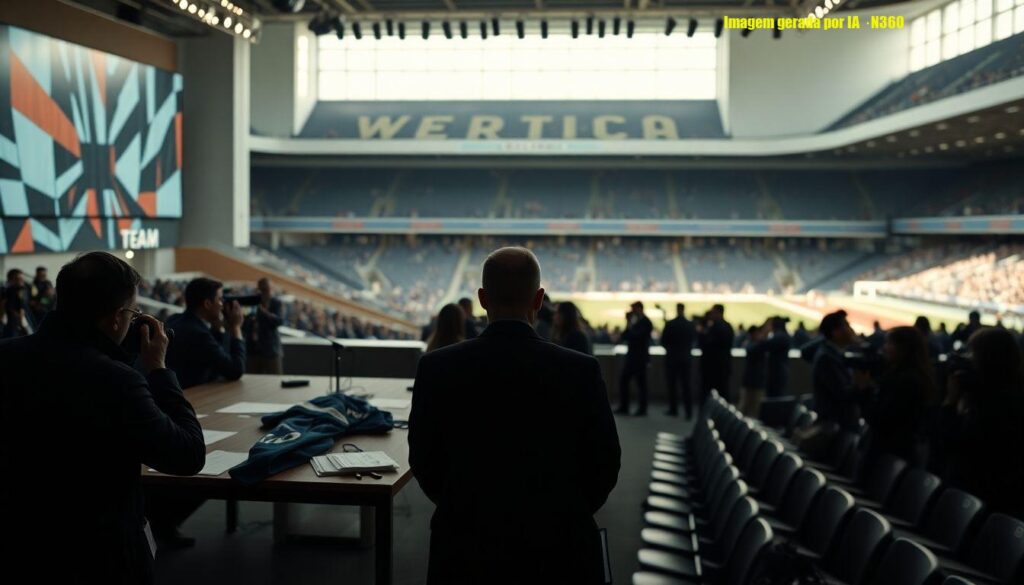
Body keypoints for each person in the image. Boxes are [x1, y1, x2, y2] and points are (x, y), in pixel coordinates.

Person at [409, 247, 621, 584]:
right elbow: (604, 466)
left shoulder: (436, 367)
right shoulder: (581, 370)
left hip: (464, 548)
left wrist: (466, 508)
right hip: (560, 549)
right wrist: (562, 513)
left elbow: (424, 460)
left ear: (482, 298)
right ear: (539, 300)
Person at [0, 252, 204, 584]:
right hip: (101, 558)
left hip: (18, 550)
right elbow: (187, 455)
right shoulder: (116, 380)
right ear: (114, 318)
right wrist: (159, 370)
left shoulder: (5, 356)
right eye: (134, 312)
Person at [934, 327, 1024, 518]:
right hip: (972, 498)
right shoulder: (1001, 396)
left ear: (989, 360)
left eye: (972, 354)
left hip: (978, 503)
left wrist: (951, 402)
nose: (967, 361)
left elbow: (955, 445)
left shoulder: (998, 404)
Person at [861, 326, 937, 470]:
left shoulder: (905, 380)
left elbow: (881, 419)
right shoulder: (913, 376)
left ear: (903, 349)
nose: (884, 348)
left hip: (888, 453)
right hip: (895, 451)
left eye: (889, 344)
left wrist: (864, 392)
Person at [165, 277, 246, 389]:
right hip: (192, 397)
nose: (223, 304)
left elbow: (217, 361)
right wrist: (236, 327)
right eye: (220, 299)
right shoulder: (199, 334)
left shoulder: (174, 319)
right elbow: (235, 370)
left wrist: (218, 329)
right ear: (207, 304)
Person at [811, 310, 869, 431]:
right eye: (847, 325)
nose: (851, 330)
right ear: (836, 332)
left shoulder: (830, 354)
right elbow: (843, 394)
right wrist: (863, 385)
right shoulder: (827, 358)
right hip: (837, 425)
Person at [617, 301, 654, 416]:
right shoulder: (636, 322)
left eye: (634, 309)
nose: (632, 311)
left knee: (641, 384)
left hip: (640, 358)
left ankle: (642, 409)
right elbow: (624, 337)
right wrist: (628, 323)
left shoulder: (647, 322)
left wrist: (631, 325)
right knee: (625, 382)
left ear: (639, 308)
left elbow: (636, 336)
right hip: (632, 357)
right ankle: (625, 406)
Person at [660, 303, 695, 418]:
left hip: (672, 358)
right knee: (686, 386)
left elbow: (663, 341)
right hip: (686, 358)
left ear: (677, 310)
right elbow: (694, 340)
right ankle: (688, 412)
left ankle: (673, 409)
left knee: (672, 385)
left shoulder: (670, 324)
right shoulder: (690, 325)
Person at [244, 278, 284, 374]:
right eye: (263, 289)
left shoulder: (276, 302)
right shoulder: (254, 301)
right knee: (251, 381)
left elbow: (279, 321)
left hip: (270, 349)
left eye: (267, 289)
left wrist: (265, 313)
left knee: (275, 379)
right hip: (253, 350)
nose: (266, 292)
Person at [697, 304, 735, 401]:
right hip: (722, 366)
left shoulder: (716, 327)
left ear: (718, 313)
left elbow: (706, 345)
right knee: (723, 394)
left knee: (709, 395)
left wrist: (702, 332)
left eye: (713, 312)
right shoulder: (727, 326)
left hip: (713, 367)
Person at [738, 321, 769, 417]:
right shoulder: (754, 345)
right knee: (748, 405)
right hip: (753, 379)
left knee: (751, 406)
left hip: (753, 379)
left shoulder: (751, 344)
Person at [765, 317, 792, 399]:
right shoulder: (783, 335)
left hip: (776, 372)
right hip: (780, 371)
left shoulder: (779, 336)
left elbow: (763, 346)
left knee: (775, 398)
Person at [2, 268, 28, 338]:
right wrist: (20, 317)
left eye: (22, 278)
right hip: (13, 321)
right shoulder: (9, 290)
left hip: (21, 319)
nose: (22, 280)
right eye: (18, 278)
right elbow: (8, 306)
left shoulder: (23, 289)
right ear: (12, 280)